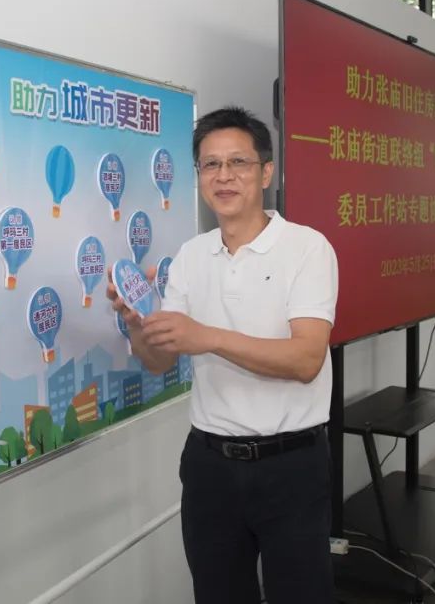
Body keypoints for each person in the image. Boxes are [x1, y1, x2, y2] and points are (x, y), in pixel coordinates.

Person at [107, 106, 339, 604]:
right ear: (198, 176)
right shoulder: (192, 256)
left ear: (266, 172)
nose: (224, 176)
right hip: (209, 466)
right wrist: (138, 326)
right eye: (210, 165)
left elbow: (306, 360)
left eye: (238, 162)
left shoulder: (307, 248)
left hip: (291, 466)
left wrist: (207, 337)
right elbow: (160, 362)